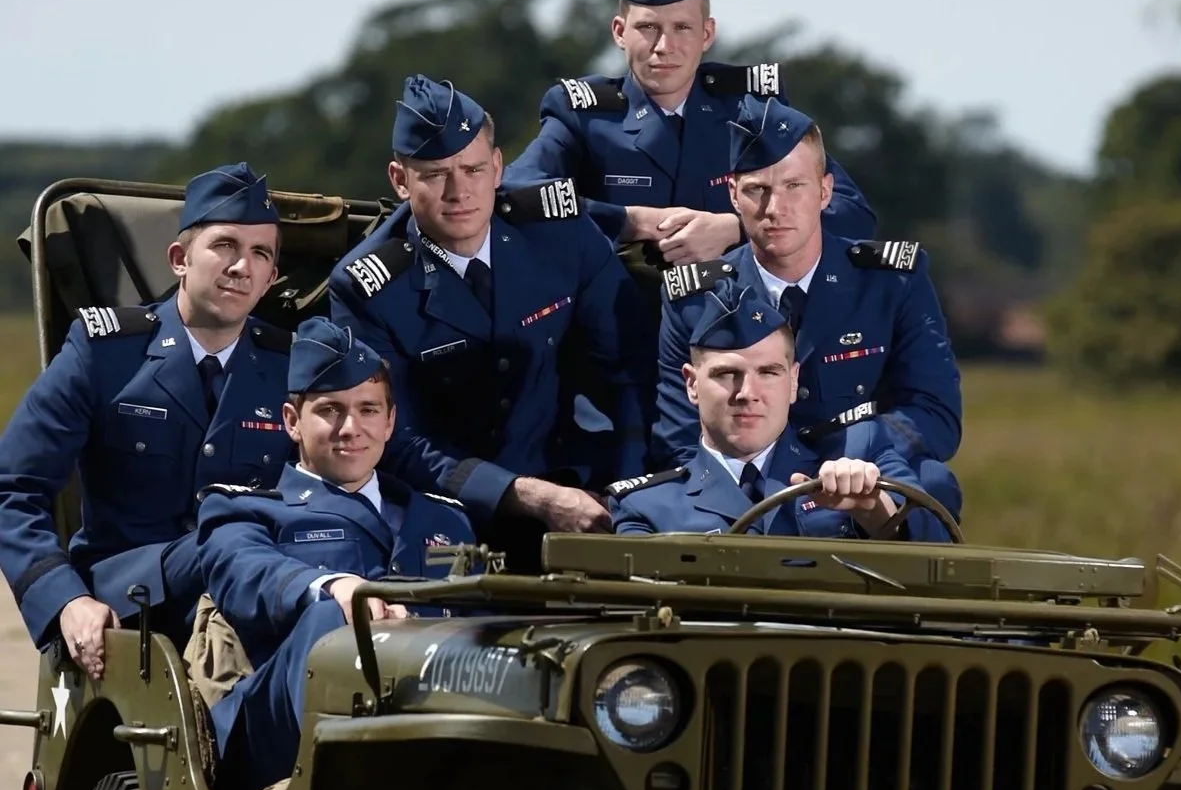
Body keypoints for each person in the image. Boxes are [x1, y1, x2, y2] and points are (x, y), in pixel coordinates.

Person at [326, 74, 654, 543]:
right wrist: (522, 496)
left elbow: (630, 372)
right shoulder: (368, 287)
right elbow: (393, 439)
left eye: (473, 170)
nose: (459, 193)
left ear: (498, 168)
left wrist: (627, 496)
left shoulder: (558, 232)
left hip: (582, 485)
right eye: (436, 174)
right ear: (400, 181)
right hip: (451, 512)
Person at [0, 162, 292, 680]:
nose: (241, 266)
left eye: (260, 253)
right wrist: (66, 601)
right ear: (180, 259)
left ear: (271, 277)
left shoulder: (292, 369)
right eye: (225, 245)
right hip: (130, 605)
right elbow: (13, 488)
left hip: (253, 597)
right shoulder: (106, 353)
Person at [198, 318, 475, 790]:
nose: (351, 428)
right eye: (330, 410)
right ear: (291, 422)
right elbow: (243, 571)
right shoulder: (244, 510)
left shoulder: (445, 521)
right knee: (331, 621)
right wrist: (330, 587)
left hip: (436, 730)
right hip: (280, 738)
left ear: (390, 421)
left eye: (369, 409)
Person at [651, 94, 962, 518]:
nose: (775, 209)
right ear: (733, 195)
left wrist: (853, 456)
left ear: (825, 191)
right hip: (747, 487)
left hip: (859, 476)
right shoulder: (693, 298)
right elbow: (680, 437)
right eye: (757, 189)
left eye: (794, 186)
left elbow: (935, 414)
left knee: (933, 485)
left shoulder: (891, 282)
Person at [507, 0, 876, 263]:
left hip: (740, 330)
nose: (663, 47)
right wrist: (628, 221)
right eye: (648, 27)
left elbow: (850, 213)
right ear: (620, 32)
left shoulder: (752, 112)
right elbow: (513, 195)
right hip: (620, 327)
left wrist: (738, 229)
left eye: (682, 28)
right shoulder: (584, 118)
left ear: (707, 33)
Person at [610, 287, 949, 541]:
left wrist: (873, 508)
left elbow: (941, 552)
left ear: (793, 381)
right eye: (726, 374)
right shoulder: (647, 507)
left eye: (769, 373)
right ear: (692, 384)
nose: (747, 394)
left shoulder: (860, 451)